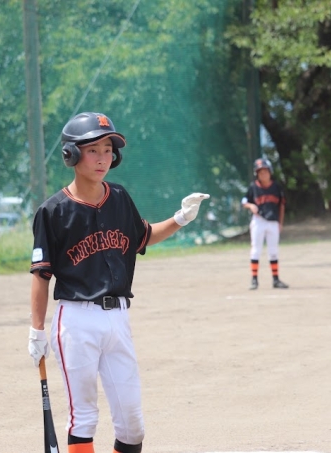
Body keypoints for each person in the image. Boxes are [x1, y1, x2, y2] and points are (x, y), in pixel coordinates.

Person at [28, 112, 209, 453]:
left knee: (132, 425)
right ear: (71, 154)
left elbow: (143, 236)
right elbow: (41, 274)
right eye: (93, 150)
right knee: (83, 418)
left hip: (118, 318)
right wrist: (36, 330)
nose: (103, 158)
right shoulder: (53, 211)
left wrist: (181, 218)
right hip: (76, 321)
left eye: (108, 150)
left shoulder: (120, 198)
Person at [241, 157, 289, 290]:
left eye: (265, 171)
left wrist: (280, 223)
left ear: (270, 172)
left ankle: (276, 280)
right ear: (257, 174)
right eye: (260, 172)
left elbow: (281, 205)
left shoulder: (276, 187)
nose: (263, 174)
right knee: (256, 250)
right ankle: (254, 280)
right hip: (259, 221)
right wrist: (250, 206)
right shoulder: (253, 187)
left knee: (273, 251)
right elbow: (244, 201)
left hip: (273, 222)